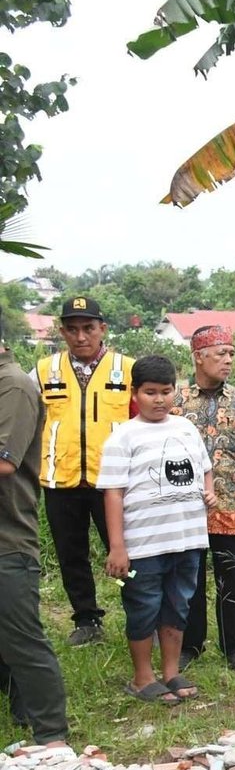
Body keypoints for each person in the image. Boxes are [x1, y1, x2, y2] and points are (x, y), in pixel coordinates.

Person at [100, 356, 216, 706]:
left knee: (178, 605)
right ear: (135, 394)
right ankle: (142, 677)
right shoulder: (124, 436)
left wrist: (209, 490)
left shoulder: (185, 429)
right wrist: (117, 546)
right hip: (144, 545)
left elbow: (205, 470)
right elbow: (113, 493)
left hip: (187, 539)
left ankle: (170, 671)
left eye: (166, 391)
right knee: (143, 606)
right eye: (150, 392)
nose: (160, 399)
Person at [32, 296, 133, 646]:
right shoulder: (45, 370)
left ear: (102, 329)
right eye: (72, 330)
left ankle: (138, 610)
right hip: (62, 478)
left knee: (123, 549)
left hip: (114, 482)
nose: (80, 337)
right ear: (62, 332)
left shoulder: (128, 368)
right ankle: (86, 618)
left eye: (88, 328)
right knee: (70, 552)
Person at [0, 329, 68, 745]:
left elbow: (4, 463)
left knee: (22, 639)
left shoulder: (14, 386)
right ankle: (23, 713)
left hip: (8, 540)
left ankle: (53, 736)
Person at [174, 326, 235, 670]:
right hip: (185, 507)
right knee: (187, 577)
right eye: (220, 353)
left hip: (229, 503)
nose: (228, 360)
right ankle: (190, 644)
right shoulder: (175, 401)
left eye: (232, 354)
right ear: (198, 356)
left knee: (231, 576)